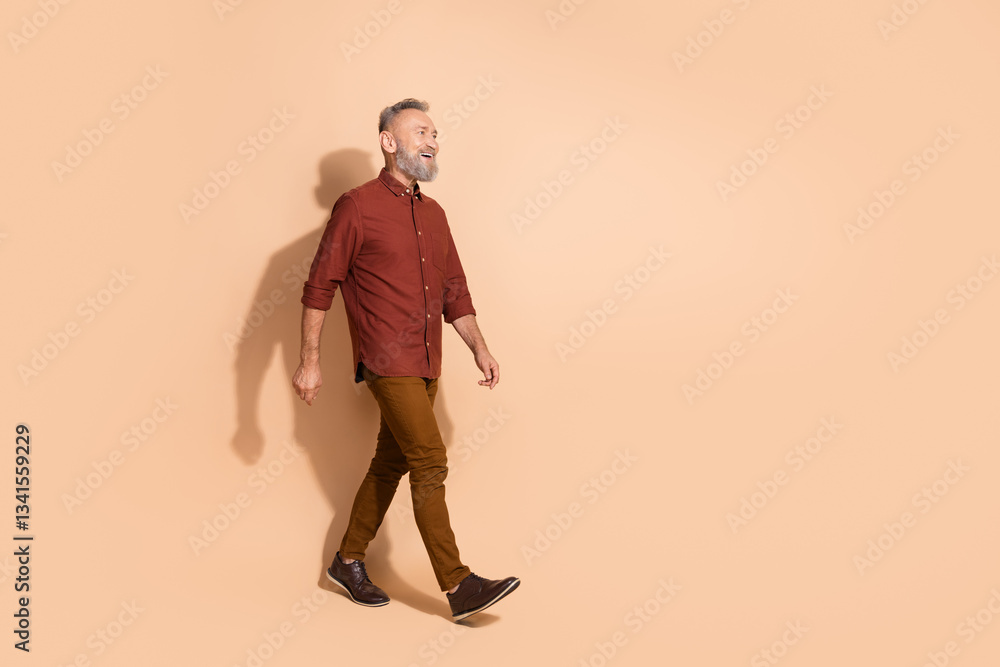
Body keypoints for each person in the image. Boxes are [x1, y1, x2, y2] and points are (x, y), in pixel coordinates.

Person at [291, 98, 519, 621]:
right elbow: (319, 286)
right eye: (419, 131)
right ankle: (459, 586)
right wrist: (310, 361)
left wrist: (480, 348)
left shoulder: (435, 215)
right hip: (386, 358)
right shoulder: (356, 206)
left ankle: (347, 560)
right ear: (389, 142)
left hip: (428, 360)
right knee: (430, 461)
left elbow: (455, 291)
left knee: (391, 460)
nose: (431, 140)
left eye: (435, 133)